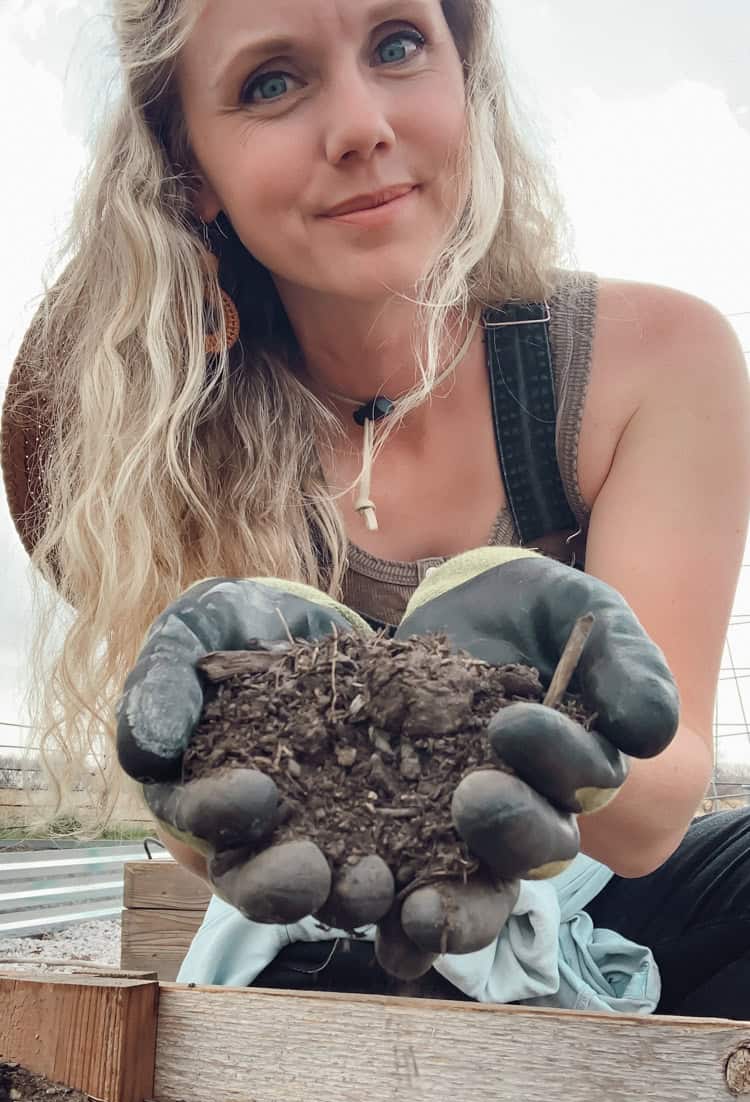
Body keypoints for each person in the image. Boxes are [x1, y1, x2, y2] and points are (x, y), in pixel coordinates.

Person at [2, 0, 749, 1014]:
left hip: (606, 893)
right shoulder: (163, 429)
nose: (359, 124)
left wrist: (553, 716)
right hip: (329, 920)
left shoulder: (656, 363)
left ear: (463, 74)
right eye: (272, 81)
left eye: (397, 43)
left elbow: (655, 821)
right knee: (366, 974)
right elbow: (201, 807)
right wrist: (211, 788)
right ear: (190, 172)